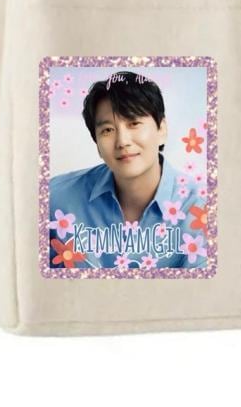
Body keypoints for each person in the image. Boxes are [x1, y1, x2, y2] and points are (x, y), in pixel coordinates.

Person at [48, 71, 207, 270]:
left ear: (161, 129)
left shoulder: (202, 208)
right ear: (97, 143)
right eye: (107, 130)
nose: (122, 141)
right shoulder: (54, 198)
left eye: (134, 123)